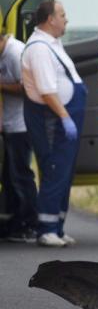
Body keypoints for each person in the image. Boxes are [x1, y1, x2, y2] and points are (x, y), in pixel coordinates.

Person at [21, 0, 85, 248]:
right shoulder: (38, 48)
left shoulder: (52, 44)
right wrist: (65, 117)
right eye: (63, 14)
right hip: (53, 118)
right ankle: (46, 229)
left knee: (64, 173)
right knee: (54, 170)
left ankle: (57, 226)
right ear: (50, 19)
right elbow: (47, 91)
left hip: (63, 116)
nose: (66, 19)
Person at [1, 25, 37, 243]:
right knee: (10, 176)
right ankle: (15, 221)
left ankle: (29, 223)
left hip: (22, 124)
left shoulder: (15, 53)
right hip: (10, 124)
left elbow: (28, 88)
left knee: (21, 175)